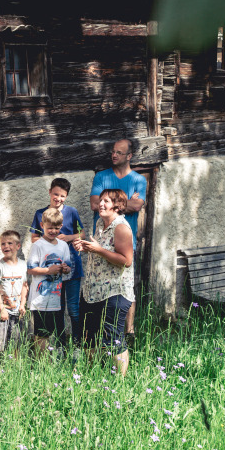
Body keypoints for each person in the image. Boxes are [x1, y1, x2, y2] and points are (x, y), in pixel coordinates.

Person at [89, 139, 146, 343]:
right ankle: (105, 336)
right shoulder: (102, 176)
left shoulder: (139, 180)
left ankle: (128, 332)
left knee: (125, 286)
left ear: (129, 156)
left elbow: (138, 206)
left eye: (119, 153)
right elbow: (94, 204)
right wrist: (126, 202)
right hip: (102, 239)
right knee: (103, 286)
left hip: (124, 241)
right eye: (113, 152)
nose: (114, 155)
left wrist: (127, 205)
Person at [74, 189, 134, 377]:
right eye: (100, 200)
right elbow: (100, 250)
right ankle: (90, 375)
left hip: (114, 291)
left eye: (106, 201)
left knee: (113, 339)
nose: (101, 204)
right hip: (92, 291)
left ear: (118, 205)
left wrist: (98, 250)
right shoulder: (100, 223)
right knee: (88, 336)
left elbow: (126, 260)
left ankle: (120, 382)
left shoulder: (121, 228)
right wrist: (86, 247)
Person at [30, 178, 83, 353]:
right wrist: (50, 240)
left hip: (71, 265)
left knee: (74, 309)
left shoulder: (72, 212)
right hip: (52, 270)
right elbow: (34, 238)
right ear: (49, 192)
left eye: (62, 196)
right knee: (57, 309)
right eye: (55, 194)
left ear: (66, 196)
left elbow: (81, 232)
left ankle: (76, 345)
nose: (58, 198)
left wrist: (67, 238)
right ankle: (60, 345)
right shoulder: (40, 214)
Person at [27, 208, 72, 356]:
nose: (53, 231)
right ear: (42, 225)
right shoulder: (38, 245)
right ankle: (42, 362)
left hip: (56, 298)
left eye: (56, 228)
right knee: (41, 333)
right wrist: (48, 271)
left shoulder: (63, 245)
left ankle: (54, 358)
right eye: (49, 228)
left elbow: (68, 266)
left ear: (61, 226)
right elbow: (30, 269)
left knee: (56, 330)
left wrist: (65, 269)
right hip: (40, 299)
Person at [0, 230, 28, 357]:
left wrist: (23, 304)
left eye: (10, 243)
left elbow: (24, 286)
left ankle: (14, 368)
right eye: (3, 244)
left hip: (18, 311)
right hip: (3, 311)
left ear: (18, 246)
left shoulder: (23, 265)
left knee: (16, 342)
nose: (6, 246)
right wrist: (2, 309)